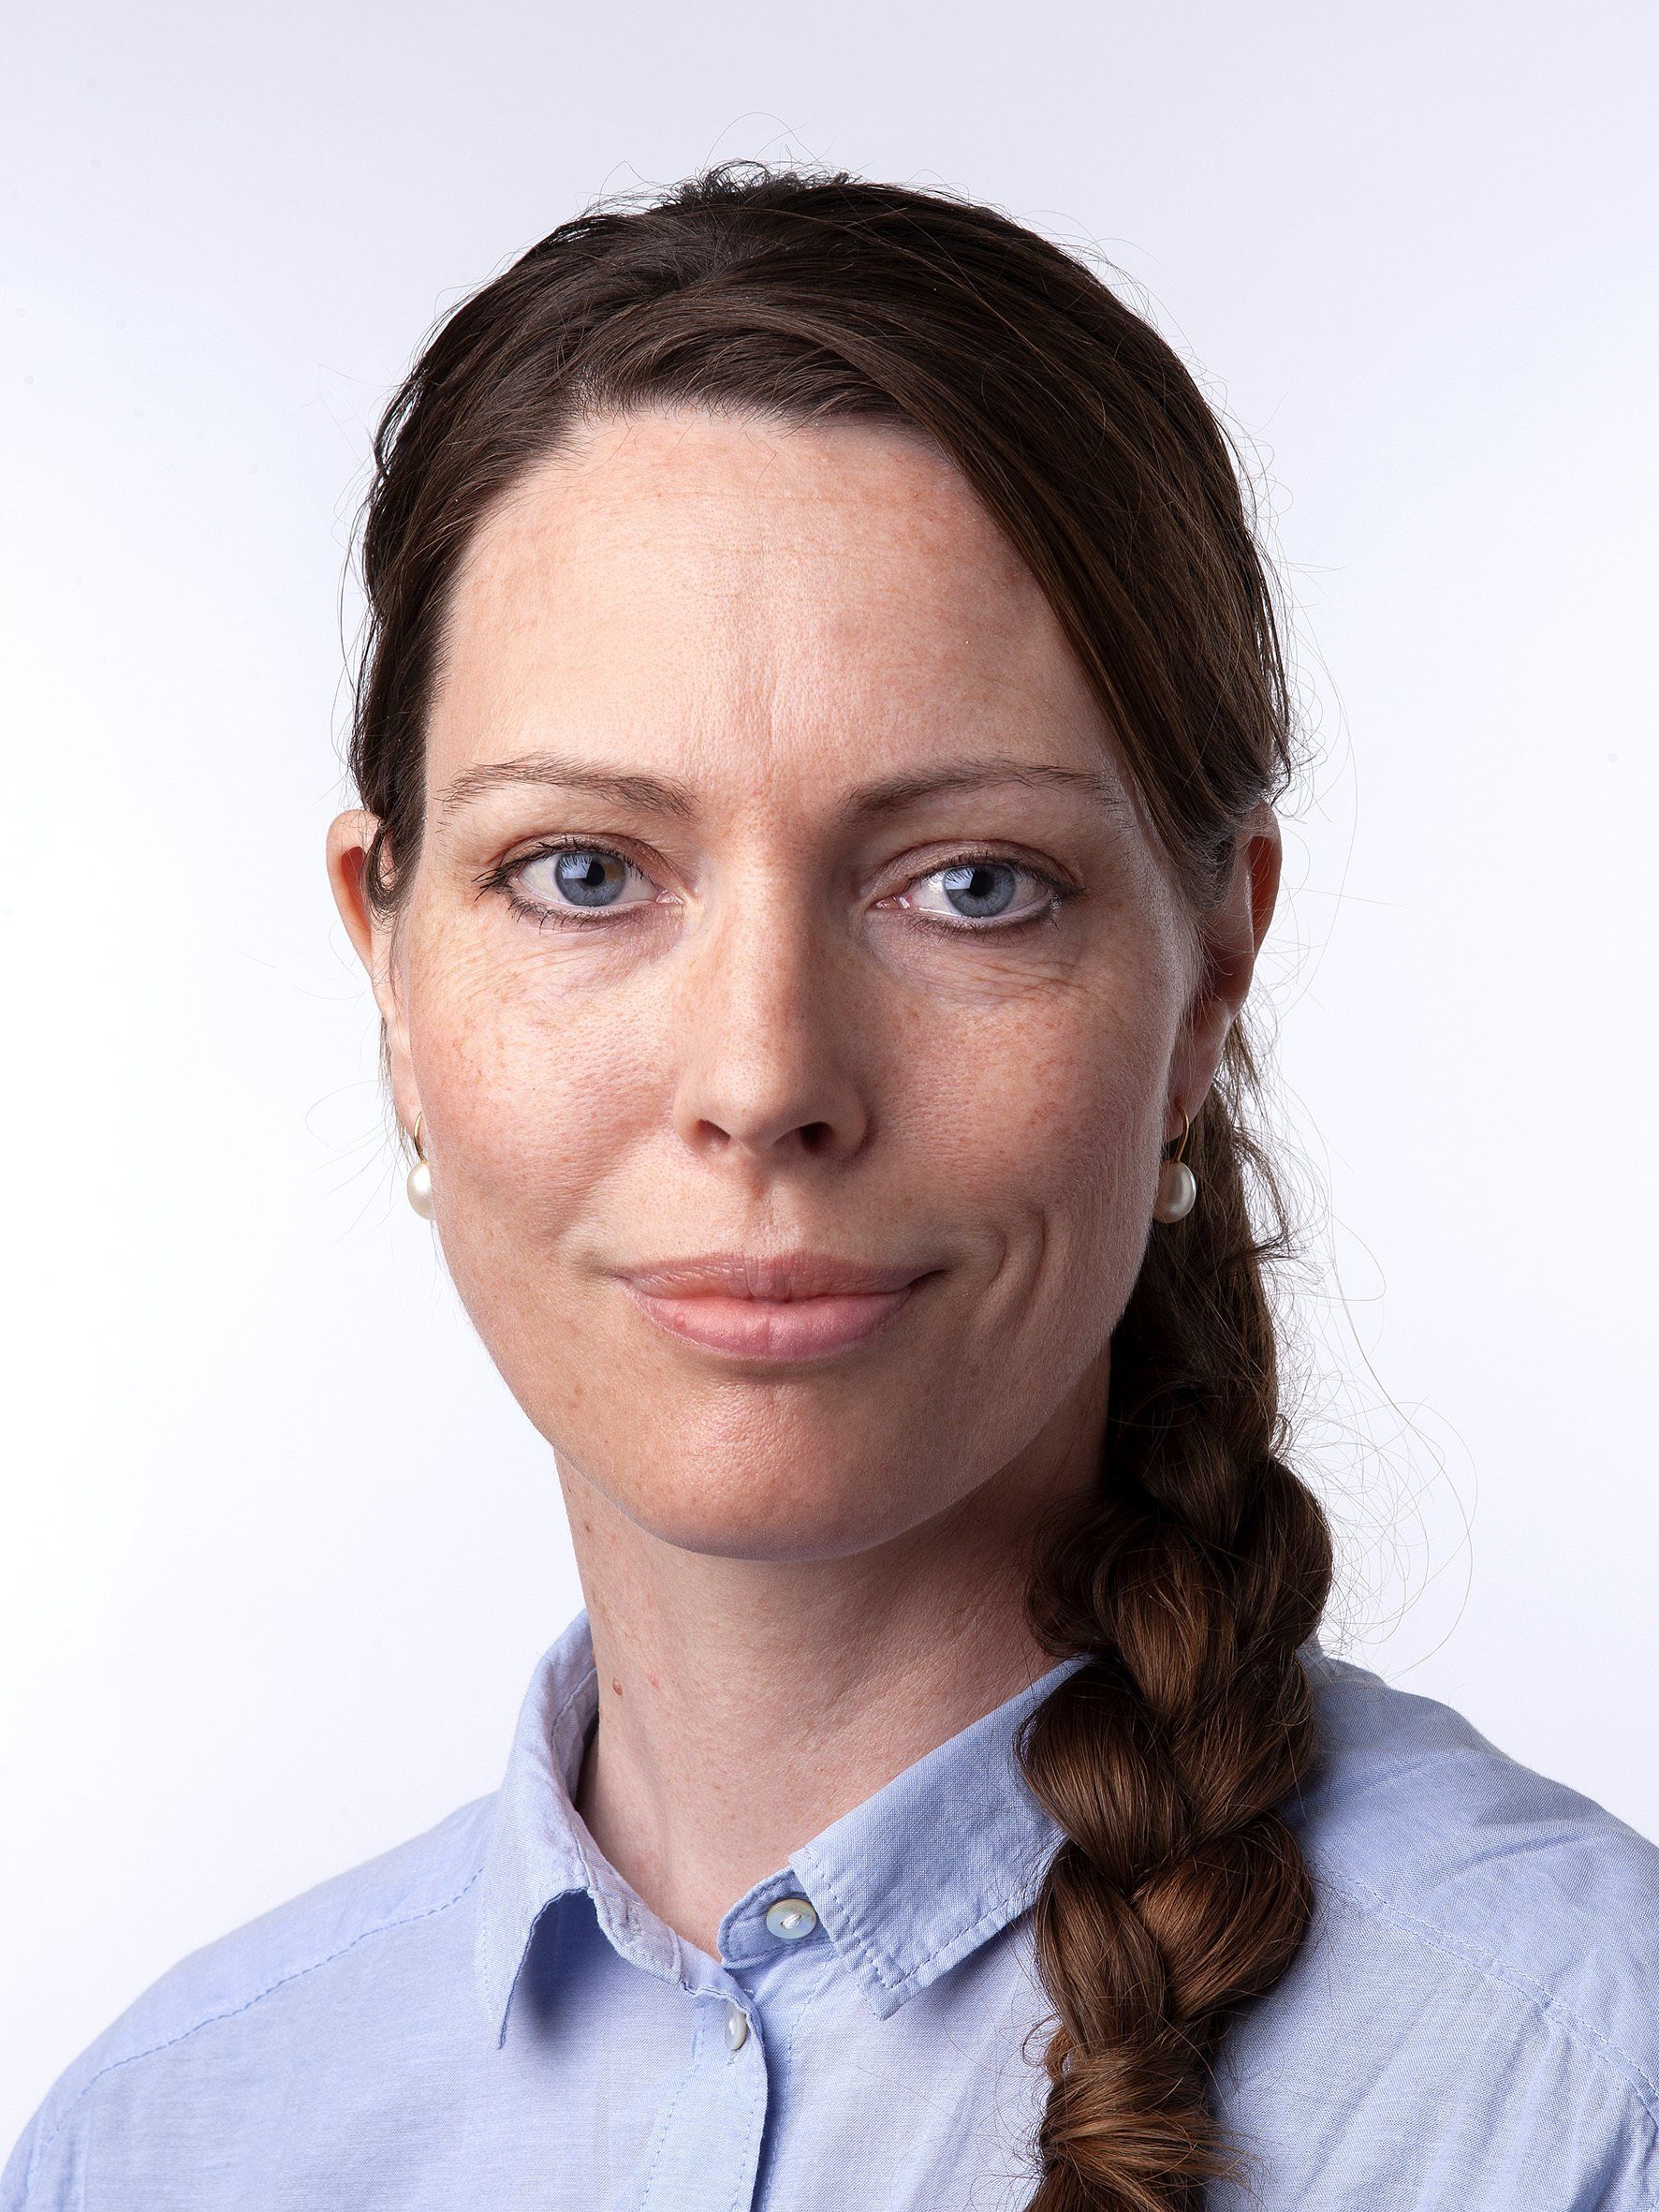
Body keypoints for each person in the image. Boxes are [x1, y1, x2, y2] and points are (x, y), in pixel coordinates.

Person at [6, 162, 1656, 2212]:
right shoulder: (152, 2145)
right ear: (390, 959)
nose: (765, 1075)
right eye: (584, 872)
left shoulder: (1582, 2095)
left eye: (970, 884)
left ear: (1207, 975)